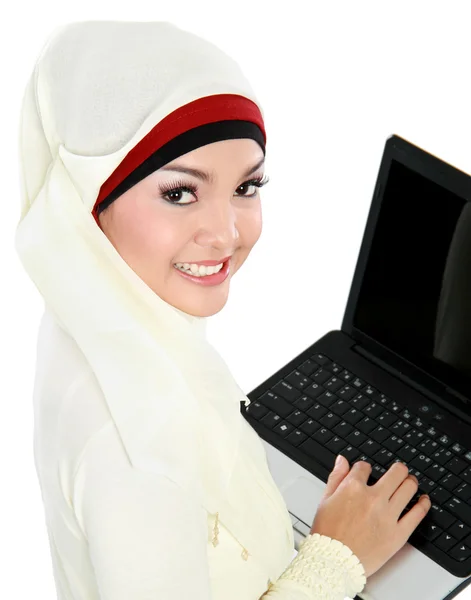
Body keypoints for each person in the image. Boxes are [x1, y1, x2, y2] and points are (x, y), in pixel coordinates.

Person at [14, 20, 431, 600]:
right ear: (87, 198)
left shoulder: (98, 321)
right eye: (180, 192)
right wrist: (336, 559)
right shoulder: (133, 452)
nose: (228, 233)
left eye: (247, 185)